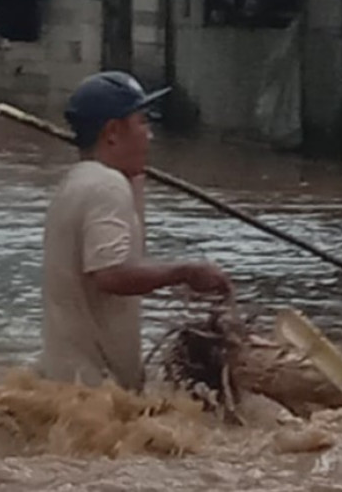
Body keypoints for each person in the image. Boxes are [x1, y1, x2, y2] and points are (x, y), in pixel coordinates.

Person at [39, 71, 232, 390]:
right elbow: (111, 274)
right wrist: (186, 271)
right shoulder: (106, 186)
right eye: (142, 122)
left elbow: (128, 252)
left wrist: (134, 176)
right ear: (113, 132)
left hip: (65, 383)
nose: (150, 135)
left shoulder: (78, 180)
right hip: (95, 390)